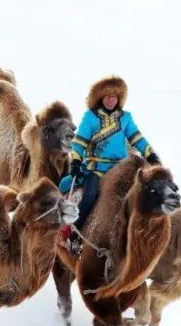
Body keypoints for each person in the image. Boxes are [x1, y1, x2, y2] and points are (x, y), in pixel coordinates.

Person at [59, 75, 161, 236]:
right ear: (100, 98)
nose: (111, 100)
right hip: (96, 168)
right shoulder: (90, 117)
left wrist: (150, 154)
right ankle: (74, 234)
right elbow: (79, 143)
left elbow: (137, 138)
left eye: (114, 97)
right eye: (107, 96)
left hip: (121, 168)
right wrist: (76, 162)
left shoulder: (125, 118)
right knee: (89, 197)